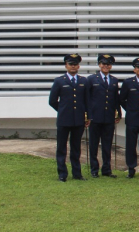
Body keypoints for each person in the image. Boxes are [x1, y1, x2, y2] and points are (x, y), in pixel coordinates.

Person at [48, 53, 90, 182]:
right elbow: (52, 101)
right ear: (66, 65)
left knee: (76, 147)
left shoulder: (84, 81)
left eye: (76, 64)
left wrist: (87, 116)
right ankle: (62, 174)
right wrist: (62, 110)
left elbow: (87, 100)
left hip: (78, 120)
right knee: (62, 147)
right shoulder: (59, 81)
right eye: (71, 64)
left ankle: (77, 173)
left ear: (78, 66)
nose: (73, 66)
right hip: (64, 119)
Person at [86, 53, 122, 178]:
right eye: (103, 64)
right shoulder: (91, 79)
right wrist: (87, 115)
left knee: (107, 145)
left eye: (108, 64)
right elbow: (88, 98)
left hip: (108, 117)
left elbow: (116, 99)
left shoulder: (114, 80)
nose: (106, 66)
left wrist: (118, 113)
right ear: (99, 65)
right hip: (95, 117)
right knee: (94, 144)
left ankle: (106, 169)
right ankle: (94, 169)